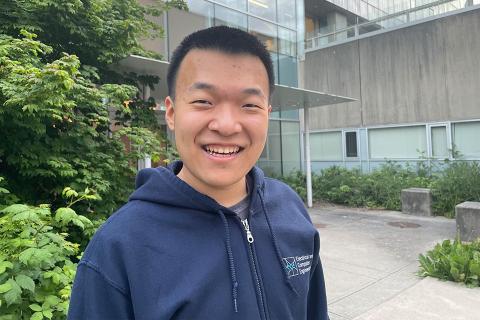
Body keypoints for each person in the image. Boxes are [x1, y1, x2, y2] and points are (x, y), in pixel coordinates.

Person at [68, 26, 328, 320]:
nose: (227, 125)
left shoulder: (291, 210)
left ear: (267, 114)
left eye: (249, 105)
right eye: (204, 101)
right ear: (171, 113)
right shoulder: (119, 247)